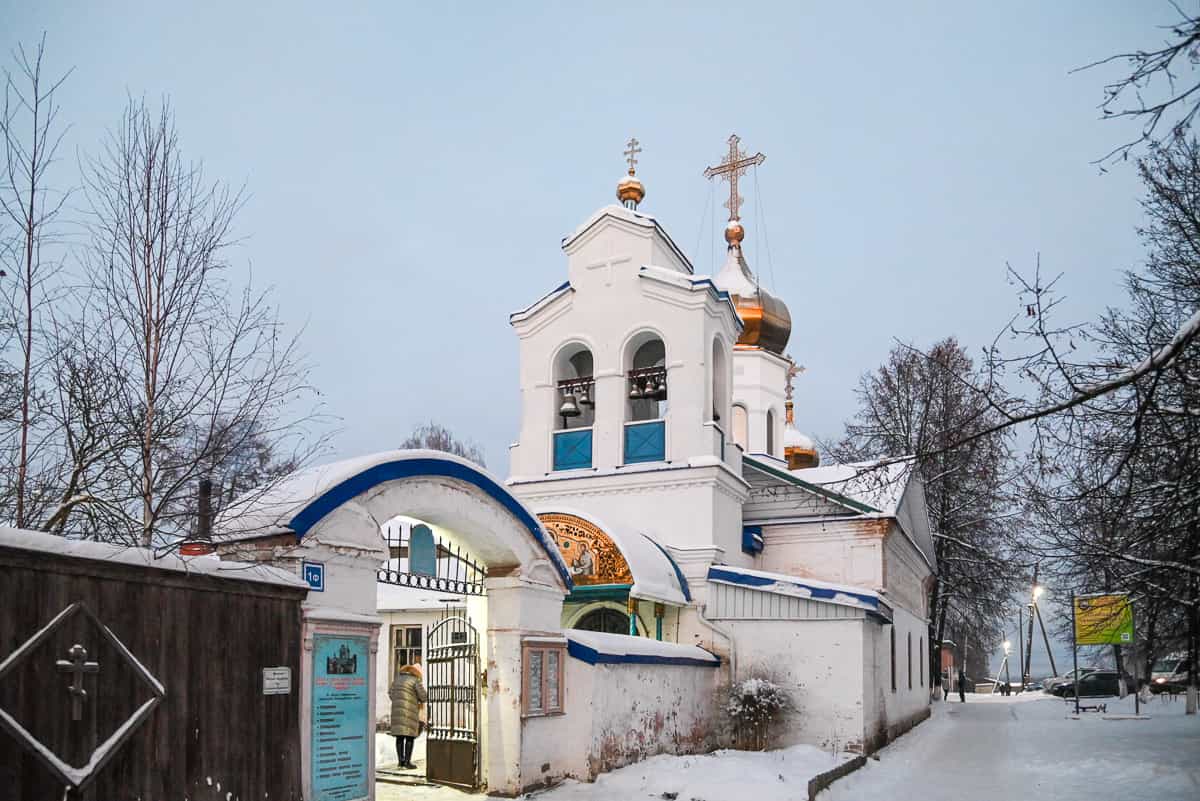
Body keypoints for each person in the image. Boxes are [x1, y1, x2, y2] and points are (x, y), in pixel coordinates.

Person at [389, 662, 427, 770]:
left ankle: (400, 761)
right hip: (410, 712)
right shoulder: (415, 681)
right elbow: (423, 697)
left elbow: (391, 693)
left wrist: (398, 701)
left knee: (399, 737)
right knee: (410, 736)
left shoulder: (396, 680)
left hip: (397, 711)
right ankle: (407, 762)